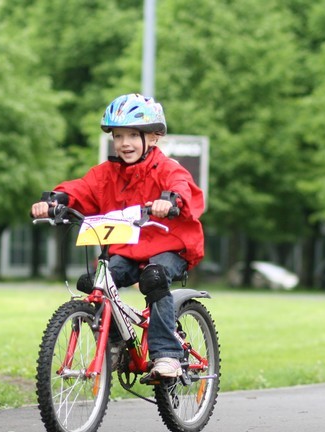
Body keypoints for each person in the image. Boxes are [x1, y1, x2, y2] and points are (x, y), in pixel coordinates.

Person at [31, 93, 205, 378]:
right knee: (95, 282)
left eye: (133, 136)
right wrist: (54, 202)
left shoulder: (167, 168)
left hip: (169, 246)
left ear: (154, 137)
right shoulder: (107, 174)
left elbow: (182, 188)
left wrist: (170, 202)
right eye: (119, 136)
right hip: (127, 248)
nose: (125, 143)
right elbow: (81, 190)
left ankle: (167, 355)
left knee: (155, 277)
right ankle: (114, 344)